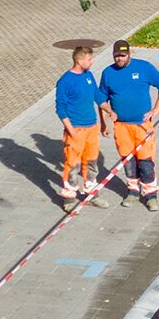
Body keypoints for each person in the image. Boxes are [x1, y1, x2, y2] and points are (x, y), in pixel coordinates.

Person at [98, 39, 159, 209]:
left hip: (142, 126)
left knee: (146, 162)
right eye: (117, 56)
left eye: (123, 55)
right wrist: (104, 123)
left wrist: (155, 110)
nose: (120, 59)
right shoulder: (108, 73)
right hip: (122, 127)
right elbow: (101, 100)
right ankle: (133, 192)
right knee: (128, 162)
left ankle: (151, 195)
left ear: (129, 54)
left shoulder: (144, 67)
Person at [52, 46, 106, 209]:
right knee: (72, 164)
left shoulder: (88, 75)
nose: (92, 61)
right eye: (89, 59)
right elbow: (60, 108)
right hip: (76, 129)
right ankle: (69, 199)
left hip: (91, 128)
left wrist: (109, 110)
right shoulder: (66, 81)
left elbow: (97, 96)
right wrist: (71, 130)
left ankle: (91, 193)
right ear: (79, 60)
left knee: (91, 162)